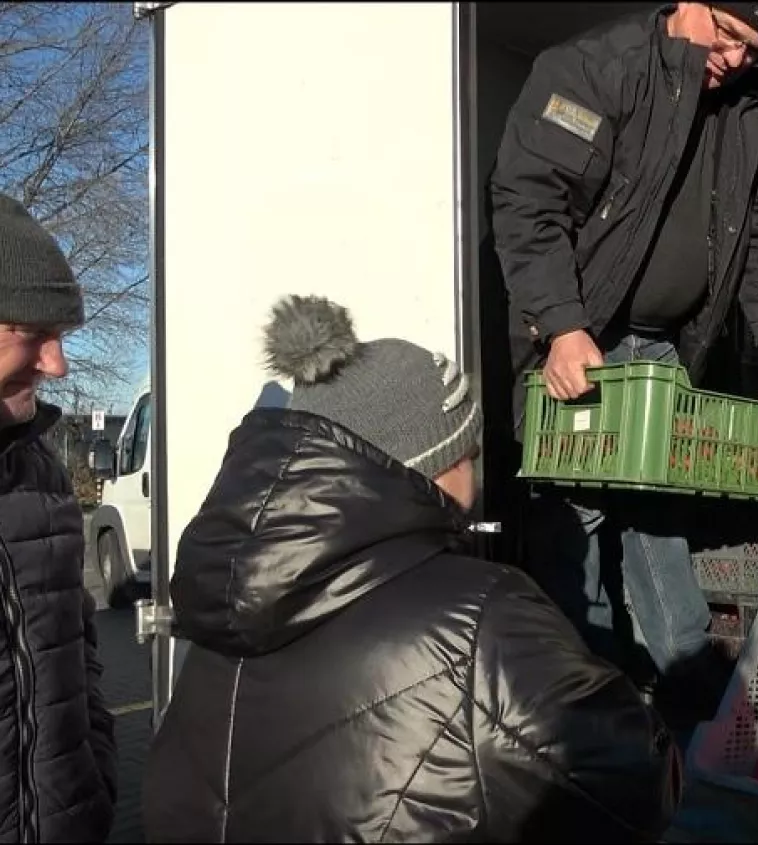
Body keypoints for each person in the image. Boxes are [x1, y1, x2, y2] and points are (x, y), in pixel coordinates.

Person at [142, 295, 681, 843]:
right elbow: (632, 784)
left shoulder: (216, 608)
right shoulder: (481, 617)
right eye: (469, 452)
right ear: (438, 463)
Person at [490, 2, 758, 720]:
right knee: (578, 521)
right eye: (726, 35)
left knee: (660, 513)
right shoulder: (594, 71)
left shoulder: (750, 109)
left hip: (663, 349)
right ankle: (585, 702)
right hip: (581, 339)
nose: (734, 58)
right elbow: (527, 201)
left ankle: (689, 691)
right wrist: (561, 326)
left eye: (752, 48)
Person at [0, 194, 118, 843]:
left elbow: (76, 650)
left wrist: (92, 777)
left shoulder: (37, 470)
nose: (57, 364)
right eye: (33, 331)